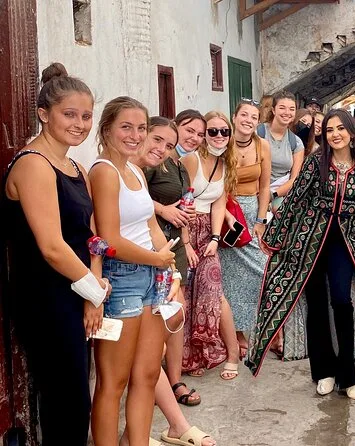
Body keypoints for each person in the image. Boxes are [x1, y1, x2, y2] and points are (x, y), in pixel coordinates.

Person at [247, 109, 355, 401]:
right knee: (316, 304)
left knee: (341, 300)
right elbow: (296, 198)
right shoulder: (316, 162)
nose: (335, 134)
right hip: (310, 240)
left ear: (350, 131)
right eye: (329, 130)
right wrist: (273, 235)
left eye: (340, 128)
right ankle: (323, 371)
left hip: (345, 242)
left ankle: (348, 376)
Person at [3, 63, 107, 446]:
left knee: (77, 398)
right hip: (46, 299)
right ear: (44, 114)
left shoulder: (76, 167)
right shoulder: (33, 164)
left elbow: (94, 236)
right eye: (70, 114)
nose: (79, 124)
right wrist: (93, 291)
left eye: (86, 116)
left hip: (79, 290)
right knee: (67, 401)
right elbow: (51, 246)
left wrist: (93, 289)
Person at [89, 96, 179, 445]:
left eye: (141, 128)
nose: (135, 135)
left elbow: (150, 226)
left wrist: (169, 268)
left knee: (147, 374)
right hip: (122, 278)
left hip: (152, 277)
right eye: (126, 127)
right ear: (107, 129)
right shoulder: (103, 171)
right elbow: (109, 239)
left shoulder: (136, 171)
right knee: (113, 382)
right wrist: (156, 260)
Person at [132, 122, 217, 446]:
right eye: (157, 139)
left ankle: (166, 412)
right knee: (138, 359)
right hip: (137, 265)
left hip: (165, 253)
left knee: (166, 330)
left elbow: (165, 215)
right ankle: (150, 429)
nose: (162, 148)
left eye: (168, 144)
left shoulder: (173, 166)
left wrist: (180, 245)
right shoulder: (128, 168)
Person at [181, 111, 241, 380]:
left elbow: (218, 203)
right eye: (213, 131)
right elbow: (180, 200)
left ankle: (232, 353)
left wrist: (215, 238)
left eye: (224, 131)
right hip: (185, 228)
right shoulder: (190, 160)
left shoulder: (225, 163)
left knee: (214, 291)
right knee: (186, 295)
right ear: (204, 135)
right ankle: (193, 357)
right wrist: (185, 243)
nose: (219, 136)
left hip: (207, 232)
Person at [219, 99, 272, 359]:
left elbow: (265, 186)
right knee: (229, 277)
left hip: (252, 214)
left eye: (253, 117)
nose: (248, 120)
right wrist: (223, 211)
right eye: (244, 115)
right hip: (226, 213)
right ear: (234, 116)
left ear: (258, 122)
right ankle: (237, 334)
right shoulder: (222, 142)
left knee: (264, 271)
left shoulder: (262, 146)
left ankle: (271, 331)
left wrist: (260, 220)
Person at [258, 90, 304, 211]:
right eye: (282, 108)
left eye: (291, 109)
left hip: (278, 193)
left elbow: (295, 178)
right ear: (273, 110)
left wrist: (272, 194)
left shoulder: (296, 143)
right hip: (254, 190)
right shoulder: (258, 133)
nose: (287, 113)